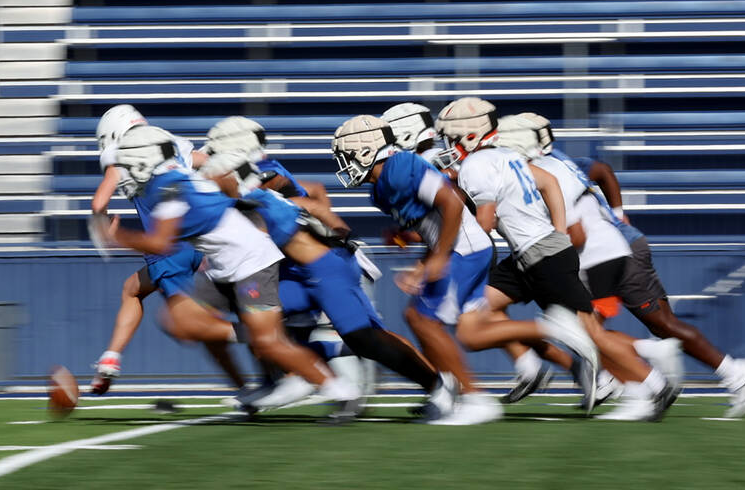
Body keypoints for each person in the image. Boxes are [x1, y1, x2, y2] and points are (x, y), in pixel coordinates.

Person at [96, 125, 363, 421]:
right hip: (224, 266)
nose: (125, 174)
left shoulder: (169, 187)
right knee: (179, 321)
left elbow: (161, 242)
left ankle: (339, 387)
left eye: (128, 166)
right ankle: (263, 337)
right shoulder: (173, 180)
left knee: (268, 342)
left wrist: (115, 237)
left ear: (144, 161)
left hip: (251, 264)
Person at [520, 113, 745, 418]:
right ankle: (715, 373)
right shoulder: (558, 162)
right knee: (651, 326)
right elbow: (602, 172)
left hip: (612, 250)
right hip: (613, 248)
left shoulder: (549, 168)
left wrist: (615, 215)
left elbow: (595, 188)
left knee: (594, 329)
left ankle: (644, 382)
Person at [202, 149, 465, 422]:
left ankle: (437, 385)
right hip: (304, 274)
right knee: (262, 318)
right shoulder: (258, 198)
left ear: (229, 177)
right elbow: (313, 206)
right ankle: (294, 376)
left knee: (365, 338)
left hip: (325, 270)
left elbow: (258, 240)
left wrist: (344, 242)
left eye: (212, 179)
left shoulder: (251, 202)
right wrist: (342, 233)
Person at [434, 96, 631, 416]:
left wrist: (451, 248)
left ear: (470, 134)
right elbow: (548, 183)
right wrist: (558, 231)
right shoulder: (505, 156)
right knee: (474, 316)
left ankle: (650, 382)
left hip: (542, 255)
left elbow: (484, 220)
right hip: (533, 253)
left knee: (591, 332)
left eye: (451, 137)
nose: (447, 143)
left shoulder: (475, 164)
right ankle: (533, 360)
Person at [498, 114, 681, 420]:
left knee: (584, 331)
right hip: (604, 251)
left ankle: (647, 382)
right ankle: (645, 373)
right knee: (586, 330)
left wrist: (541, 250)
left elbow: (575, 232)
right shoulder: (555, 163)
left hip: (594, 255)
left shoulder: (543, 170)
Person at [333, 113, 503, 424]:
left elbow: (451, 203)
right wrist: (424, 262)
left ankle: (473, 398)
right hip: (456, 249)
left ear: (366, 149)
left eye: (346, 155)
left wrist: (438, 257)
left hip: (464, 249)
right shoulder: (380, 188)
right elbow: (432, 227)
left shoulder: (401, 167)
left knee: (424, 321)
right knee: (424, 319)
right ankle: (453, 393)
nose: (343, 164)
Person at [87, 105, 244, 395]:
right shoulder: (170, 143)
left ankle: (254, 335)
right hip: (201, 242)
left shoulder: (122, 152)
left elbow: (99, 203)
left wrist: (105, 227)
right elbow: (215, 164)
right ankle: (111, 357)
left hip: (167, 247)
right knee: (132, 289)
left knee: (189, 325)